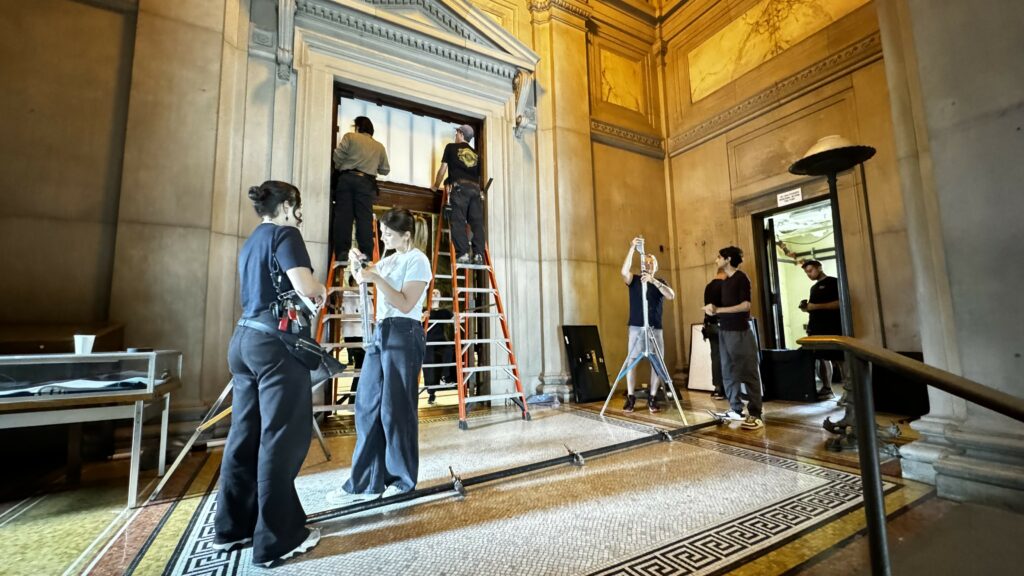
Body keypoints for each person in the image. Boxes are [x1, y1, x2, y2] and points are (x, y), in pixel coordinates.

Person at [212, 181, 325, 567]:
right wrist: (320, 287)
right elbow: (304, 287)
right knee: (281, 437)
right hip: (276, 346)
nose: (299, 214)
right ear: (288, 205)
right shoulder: (285, 233)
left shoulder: (252, 241)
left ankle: (232, 527)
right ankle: (278, 537)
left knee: (245, 434)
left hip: (243, 340)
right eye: (297, 206)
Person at [327, 208, 432, 504]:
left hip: (404, 332)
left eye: (388, 232)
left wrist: (376, 278)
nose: (383, 237)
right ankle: (364, 481)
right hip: (381, 333)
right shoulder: (388, 261)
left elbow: (404, 302)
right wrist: (357, 266)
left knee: (396, 410)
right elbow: (361, 279)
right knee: (368, 407)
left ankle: (402, 479)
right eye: (382, 231)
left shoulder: (417, 261)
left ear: (406, 235)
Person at [703, 246, 764, 430]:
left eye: (718, 257)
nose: (716, 260)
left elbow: (745, 305)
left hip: (740, 332)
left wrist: (719, 310)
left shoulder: (741, 278)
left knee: (748, 372)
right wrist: (712, 310)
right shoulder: (725, 282)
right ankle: (736, 409)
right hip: (724, 331)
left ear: (728, 259)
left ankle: (755, 413)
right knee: (728, 372)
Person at [620, 237, 676, 413]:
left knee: (657, 363)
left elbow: (671, 295)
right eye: (646, 261)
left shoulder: (659, 283)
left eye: (652, 262)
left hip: (655, 329)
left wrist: (653, 281)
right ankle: (631, 397)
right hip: (636, 327)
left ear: (656, 267)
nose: (649, 264)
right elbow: (623, 272)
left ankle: (652, 397)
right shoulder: (635, 280)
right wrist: (631, 249)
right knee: (631, 361)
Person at [332, 116, 390, 261]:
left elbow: (337, 156)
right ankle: (367, 255)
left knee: (343, 218)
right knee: (364, 219)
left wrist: (340, 167)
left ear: (357, 127)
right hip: (366, 183)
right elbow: (385, 170)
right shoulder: (379, 146)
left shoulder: (350, 137)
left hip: (346, 179)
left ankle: (342, 253)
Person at [431, 124, 484, 265]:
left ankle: (464, 253)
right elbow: (476, 177)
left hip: (460, 188)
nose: (455, 136)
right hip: (475, 189)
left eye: (456, 133)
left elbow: (442, 170)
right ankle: (479, 254)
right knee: (477, 223)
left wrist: (435, 186)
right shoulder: (476, 155)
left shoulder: (451, 147)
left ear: (460, 133)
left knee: (458, 220)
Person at [799, 260, 843, 399]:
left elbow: (840, 304)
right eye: (806, 272)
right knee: (822, 358)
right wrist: (807, 308)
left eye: (810, 270)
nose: (809, 274)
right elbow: (814, 308)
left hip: (832, 328)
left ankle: (849, 394)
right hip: (817, 329)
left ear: (819, 268)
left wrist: (815, 307)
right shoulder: (814, 288)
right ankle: (827, 388)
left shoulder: (833, 282)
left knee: (840, 359)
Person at [422, 288, 455, 405]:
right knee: (429, 364)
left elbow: (454, 319)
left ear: (440, 297)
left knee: (449, 349)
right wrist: (422, 317)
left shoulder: (444, 312)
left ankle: (445, 377)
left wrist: (457, 318)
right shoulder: (424, 310)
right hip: (427, 341)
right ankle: (431, 392)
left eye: (438, 293)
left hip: (440, 340)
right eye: (433, 292)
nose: (435, 294)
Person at [703, 270, 727, 400]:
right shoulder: (724, 286)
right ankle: (729, 388)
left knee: (715, 356)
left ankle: (718, 388)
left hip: (710, 325)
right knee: (727, 356)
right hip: (722, 324)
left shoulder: (708, 286)